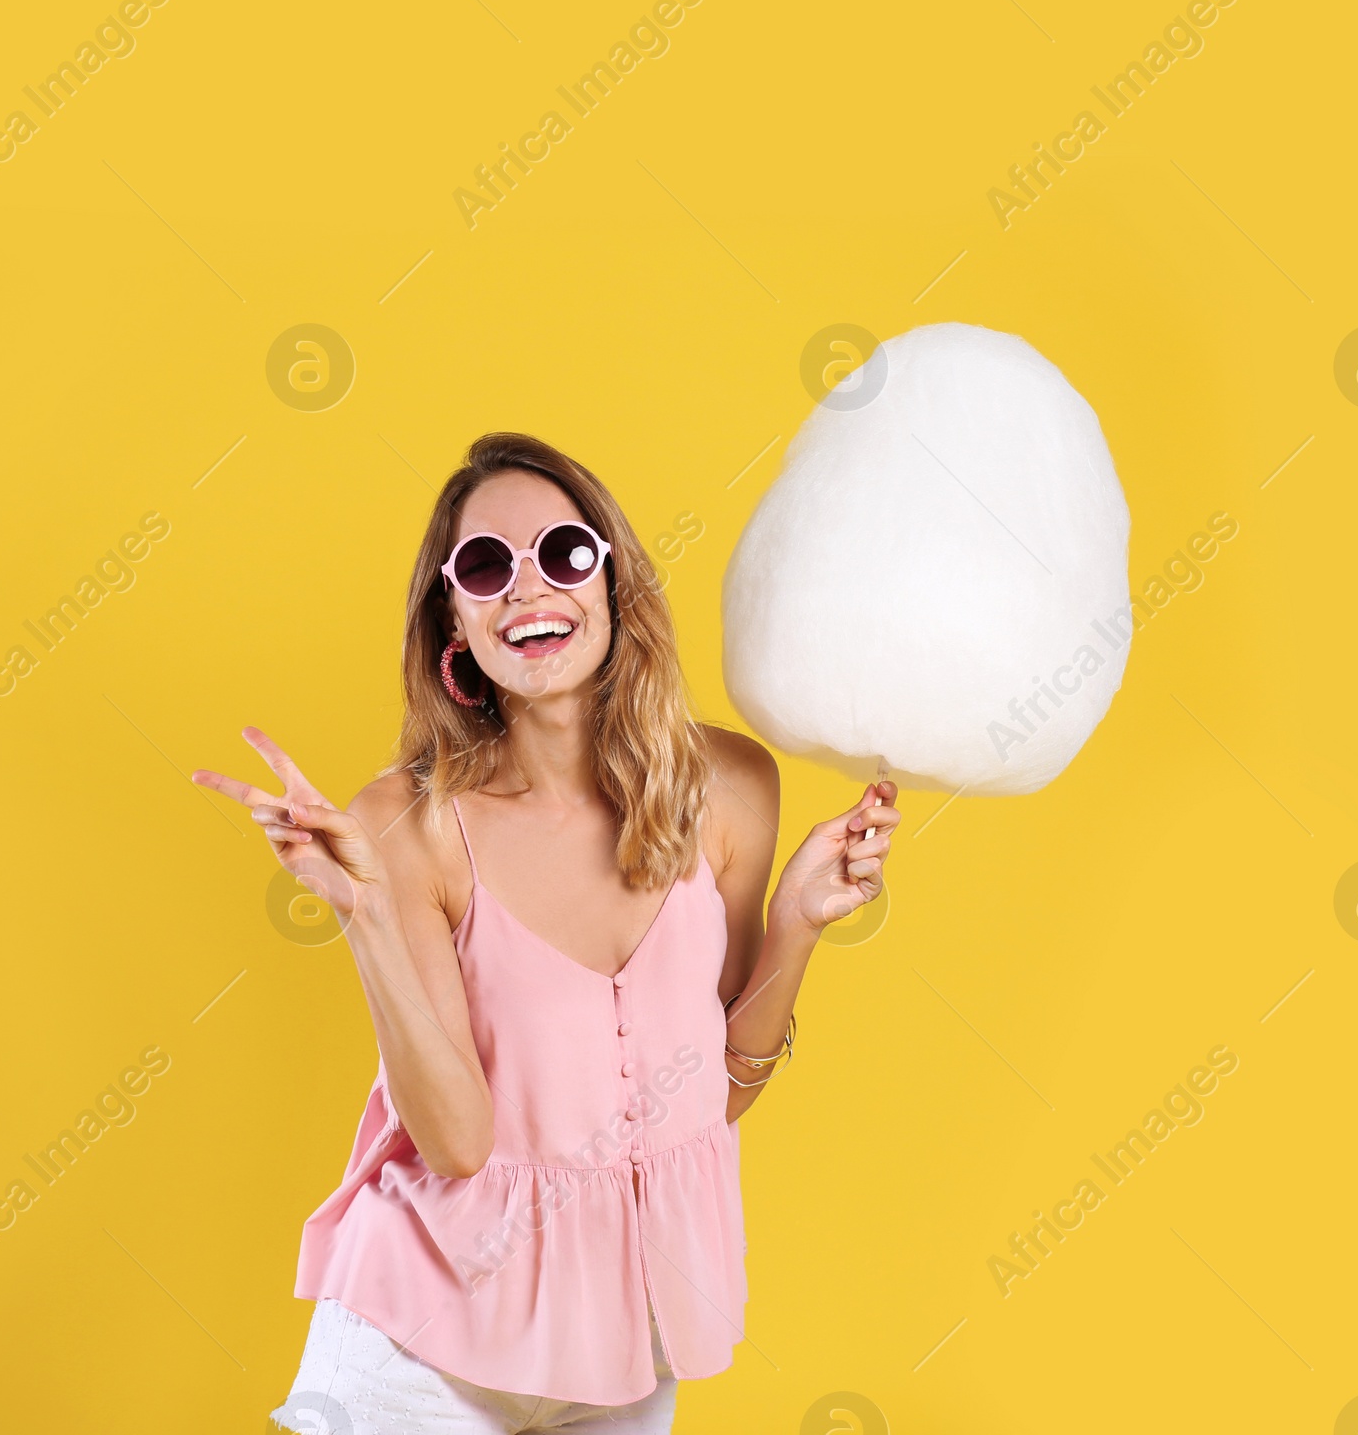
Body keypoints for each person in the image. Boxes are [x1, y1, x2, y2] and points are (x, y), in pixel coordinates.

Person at [193, 432, 899, 1433]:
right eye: (485, 567)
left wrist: (796, 921)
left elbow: (714, 1096)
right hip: (421, 1344)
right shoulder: (409, 822)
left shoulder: (732, 787)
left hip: (627, 1336)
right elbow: (457, 1141)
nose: (527, 590)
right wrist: (363, 919)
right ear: (455, 619)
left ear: (613, 579)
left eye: (562, 554)